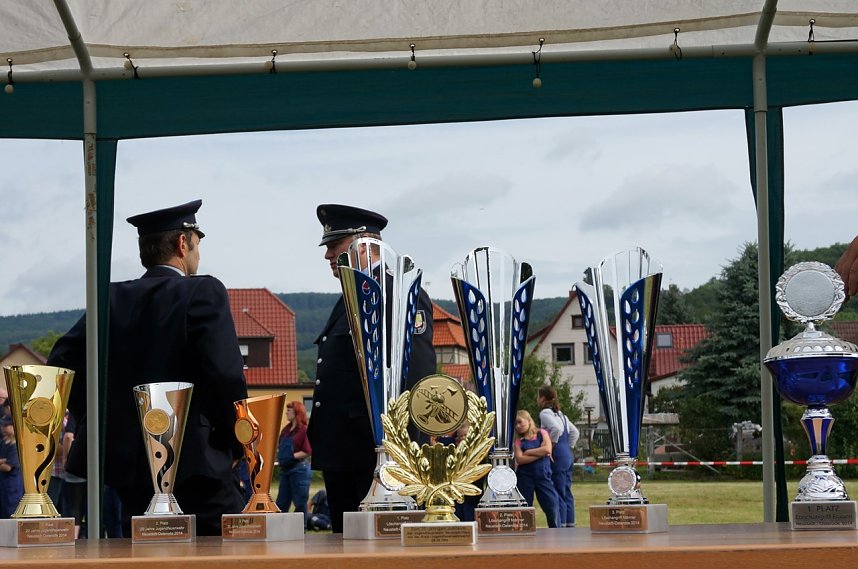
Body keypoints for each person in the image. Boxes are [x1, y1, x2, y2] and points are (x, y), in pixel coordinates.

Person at [47, 199, 248, 537]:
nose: (198, 255)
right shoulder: (202, 291)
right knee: (232, 549)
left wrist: (99, 419)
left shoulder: (110, 298)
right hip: (197, 462)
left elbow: (61, 366)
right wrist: (235, 443)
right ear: (183, 244)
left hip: (130, 468)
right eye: (197, 245)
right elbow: (225, 375)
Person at [307, 203, 436, 533]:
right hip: (346, 453)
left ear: (364, 244)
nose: (327, 256)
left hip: (380, 454)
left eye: (335, 246)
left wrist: (405, 447)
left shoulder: (398, 292)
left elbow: (417, 373)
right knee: (346, 546)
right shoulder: (348, 295)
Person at [537, 385, 579, 528]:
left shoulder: (544, 413)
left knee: (557, 491)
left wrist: (551, 447)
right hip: (567, 454)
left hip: (557, 456)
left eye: (538, 397)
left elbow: (556, 429)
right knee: (567, 491)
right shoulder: (562, 415)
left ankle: (560, 527)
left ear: (542, 398)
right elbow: (575, 432)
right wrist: (569, 448)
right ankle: (570, 524)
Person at [513, 409, 559, 528]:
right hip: (525, 478)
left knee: (552, 506)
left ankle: (556, 530)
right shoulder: (518, 441)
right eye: (515, 424)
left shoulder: (542, 433)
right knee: (525, 509)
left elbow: (548, 449)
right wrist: (540, 454)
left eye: (520, 422)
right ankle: (526, 532)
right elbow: (520, 459)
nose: (518, 426)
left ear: (528, 421)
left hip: (543, 477)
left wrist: (528, 452)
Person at [276, 401, 312, 517]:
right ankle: (280, 530)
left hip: (299, 471)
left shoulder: (304, 430)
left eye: (289, 410)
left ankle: (302, 530)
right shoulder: (285, 430)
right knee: (281, 504)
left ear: (297, 413)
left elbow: (307, 451)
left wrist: (291, 456)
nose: (286, 413)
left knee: (300, 504)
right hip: (285, 471)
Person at [0, 416, 22, 519]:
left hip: (13, 485)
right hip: (3, 484)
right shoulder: (3, 443)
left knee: (11, 512)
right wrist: (3, 461)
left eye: (6, 425)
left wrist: (4, 461)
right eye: (3, 425)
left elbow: (8, 467)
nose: (3, 428)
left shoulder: (16, 445)